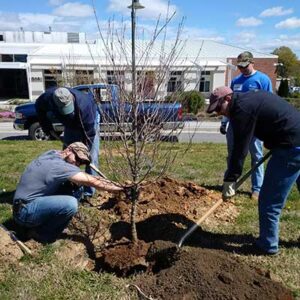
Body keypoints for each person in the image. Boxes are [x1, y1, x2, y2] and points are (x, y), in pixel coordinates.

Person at [207, 86, 300, 255]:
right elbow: (271, 118)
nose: (220, 114)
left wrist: (230, 179)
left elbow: (240, 149)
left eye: (219, 108)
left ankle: (267, 245)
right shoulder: (248, 100)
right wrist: (273, 141)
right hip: (294, 138)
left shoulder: (241, 109)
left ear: (227, 99)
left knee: (269, 201)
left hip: (291, 148)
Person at [13, 142, 122, 243]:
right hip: (25, 213)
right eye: (77, 158)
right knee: (70, 204)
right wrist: (121, 187)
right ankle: (42, 234)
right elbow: (93, 181)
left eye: (81, 162)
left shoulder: (52, 153)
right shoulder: (60, 167)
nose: (77, 163)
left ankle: (50, 221)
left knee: (76, 186)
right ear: (68, 150)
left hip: (23, 205)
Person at [220, 51, 273, 200]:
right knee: (233, 155)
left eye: (245, 65)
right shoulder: (236, 81)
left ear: (252, 63)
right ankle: (230, 185)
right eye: (240, 66)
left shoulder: (263, 80)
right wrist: (224, 123)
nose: (243, 69)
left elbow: (269, 103)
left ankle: (257, 189)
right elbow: (228, 103)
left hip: (255, 126)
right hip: (236, 125)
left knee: (256, 156)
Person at [35, 87, 100, 198]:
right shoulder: (46, 98)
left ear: (71, 99)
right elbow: (40, 110)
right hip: (70, 124)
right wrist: (47, 128)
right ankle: (69, 187)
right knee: (67, 156)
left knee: (91, 158)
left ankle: (88, 192)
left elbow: (89, 136)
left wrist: (83, 154)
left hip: (89, 123)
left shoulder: (85, 106)